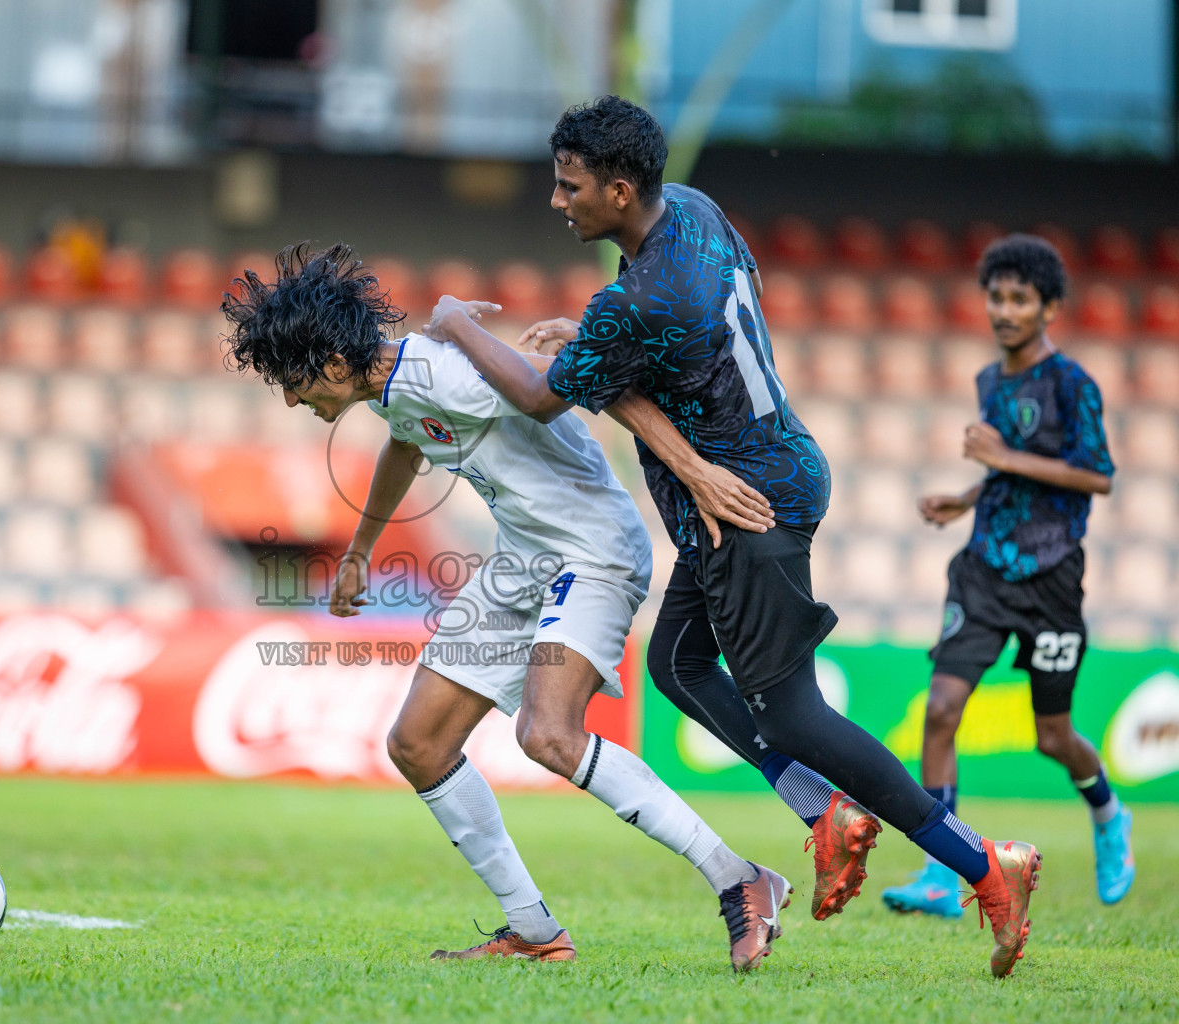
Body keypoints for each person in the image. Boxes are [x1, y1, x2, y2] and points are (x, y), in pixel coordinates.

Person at [422, 95, 1039, 978]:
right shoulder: (695, 215)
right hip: (765, 472)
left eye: (569, 186)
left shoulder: (637, 304)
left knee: (794, 713)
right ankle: (825, 813)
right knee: (676, 663)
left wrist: (451, 324)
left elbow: (538, 396)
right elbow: (647, 355)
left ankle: (984, 865)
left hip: (747, 511)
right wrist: (591, 346)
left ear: (620, 188)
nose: (558, 201)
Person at [222, 241, 793, 972]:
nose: (293, 400)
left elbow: (545, 390)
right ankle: (531, 928)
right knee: (418, 742)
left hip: (590, 552)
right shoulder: (399, 385)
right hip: (523, 559)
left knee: (548, 735)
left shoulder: (438, 372)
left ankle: (740, 878)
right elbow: (405, 444)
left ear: (332, 364)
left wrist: (459, 322)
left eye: (292, 382)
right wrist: (361, 551)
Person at [883, 235, 1132, 916]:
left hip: (1052, 577)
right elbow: (1007, 465)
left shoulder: (1072, 383)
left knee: (1052, 735)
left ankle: (1110, 815)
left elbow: (1097, 477)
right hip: (983, 568)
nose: (1004, 309)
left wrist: (1004, 459)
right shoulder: (991, 381)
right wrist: (962, 498)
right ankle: (940, 872)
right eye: (996, 296)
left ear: (1049, 306)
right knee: (940, 710)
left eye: (1020, 298)